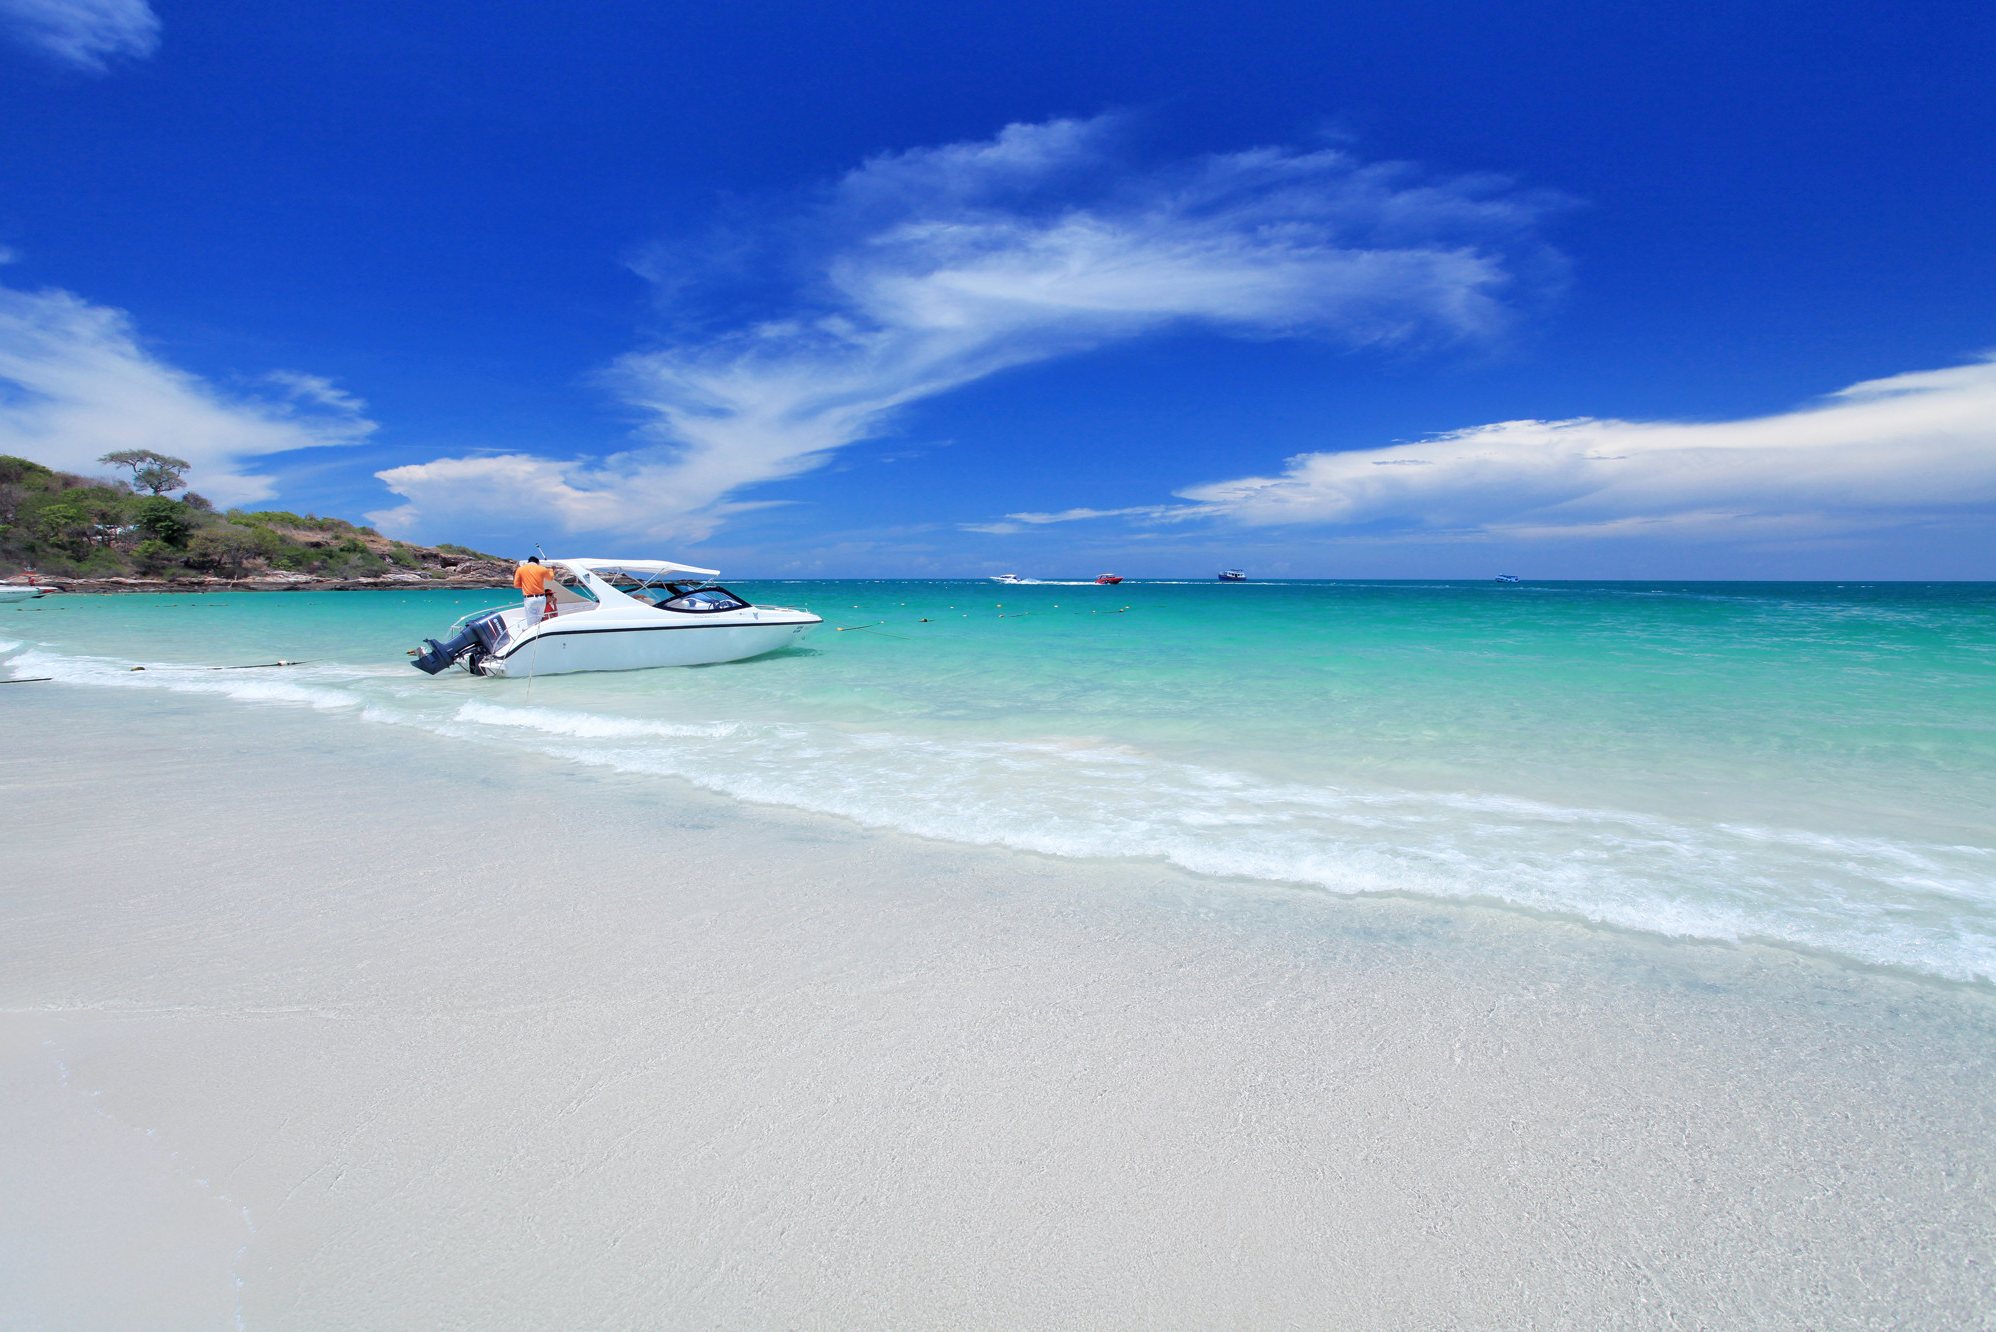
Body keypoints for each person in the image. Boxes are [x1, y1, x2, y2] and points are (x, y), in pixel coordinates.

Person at [514, 556, 556, 629]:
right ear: (538, 563)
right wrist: (552, 570)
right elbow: (551, 578)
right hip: (541, 599)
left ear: (528, 562)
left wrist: (526, 585)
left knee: (531, 624)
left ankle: (534, 637)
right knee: (539, 620)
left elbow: (516, 585)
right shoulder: (542, 569)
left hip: (530, 599)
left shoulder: (520, 569)